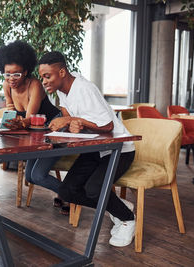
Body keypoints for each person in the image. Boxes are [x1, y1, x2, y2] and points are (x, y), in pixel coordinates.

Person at [38, 51, 136, 247]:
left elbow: (107, 125)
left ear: (62, 72)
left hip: (119, 149)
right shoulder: (61, 91)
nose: (44, 81)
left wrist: (73, 120)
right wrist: (67, 125)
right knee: (67, 191)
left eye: (47, 76)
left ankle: (127, 219)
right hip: (94, 149)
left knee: (93, 190)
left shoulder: (84, 88)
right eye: (42, 77)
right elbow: (72, 119)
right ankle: (118, 207)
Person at [0, 40, 67, 212]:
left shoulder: (34, 85)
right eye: (7, 74)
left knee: (37, 175)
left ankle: (72, 195)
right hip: (34, 132)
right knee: (31, 176)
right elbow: (11, 109)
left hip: (53, 128)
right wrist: (8, 121)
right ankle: (68, 192)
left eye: (16, 74)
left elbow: (29, 118)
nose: (11, 79)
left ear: (25, 71)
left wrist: (17, 123)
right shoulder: (7, 85)